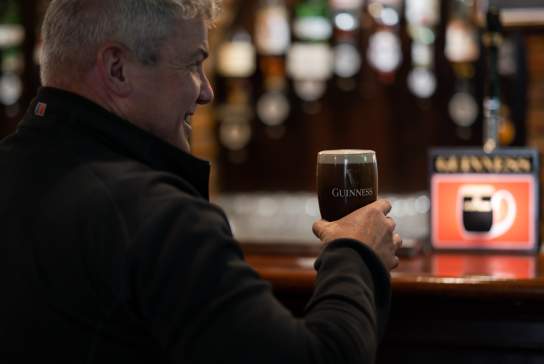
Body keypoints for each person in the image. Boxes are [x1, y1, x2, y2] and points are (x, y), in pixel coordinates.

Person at [0, 0, 402, 363]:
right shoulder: (160, 219)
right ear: (117, 69)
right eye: (193, 64)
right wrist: (356, 252)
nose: (207, 92)